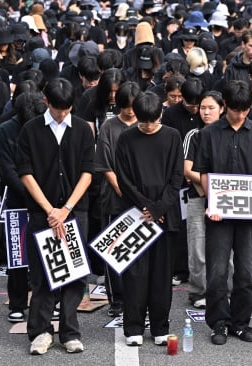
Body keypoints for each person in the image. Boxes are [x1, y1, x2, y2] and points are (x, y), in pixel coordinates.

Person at [16, 78, 95, 355]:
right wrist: (50, 210)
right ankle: (40, 331)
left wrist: (66, 209)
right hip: (42, 213)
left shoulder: (83, 129)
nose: (62, 113)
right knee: (41, 275)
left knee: (75, 274)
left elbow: (88, 172)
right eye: (57, 108)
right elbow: (25, 173)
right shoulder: (31, 130)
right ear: (46, 102)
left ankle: (69, 331)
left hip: (75, 211)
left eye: (67, 108)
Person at [192, 80, 252, 345]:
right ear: (225, 105)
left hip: (250, 215)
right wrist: (212, 203)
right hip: (220, 214)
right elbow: (203, 172)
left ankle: (241, 322)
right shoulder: (209, 134)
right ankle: (219, 323)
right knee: (216, 272)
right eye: (235, 109)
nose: (240, 115)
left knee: (247, 272)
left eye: (245, 109)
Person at [115, 91, 184, 346]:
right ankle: (133, 327)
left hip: (164, 215)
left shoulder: (172, 136)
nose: (147, 126)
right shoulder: (126, 138)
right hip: (135, 214)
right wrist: (147, 208)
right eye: (142, 122)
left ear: (161, 114)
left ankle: (159, 327)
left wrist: (159, 209)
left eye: (151, 121)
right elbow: (124, 179)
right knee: (135, 274)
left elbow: (177, 177)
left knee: (161, 274)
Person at [0, 89, 47, 323]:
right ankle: (17, 303)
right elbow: (7, 171)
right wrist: (30, 195)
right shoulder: (6, 130)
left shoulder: (44, 125)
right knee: (17, 256)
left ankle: (49, 300)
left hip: (46, 202)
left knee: (48, 253)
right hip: (18, 200)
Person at [96, 81, 142, 318]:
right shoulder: (109, 126)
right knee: (114, 249)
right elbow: (104, 164)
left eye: (134, 107)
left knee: (138, 250)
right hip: (114, 197)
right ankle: (117, 298)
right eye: (125, 107)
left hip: (141, 199)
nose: (130, 111)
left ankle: (136, 297)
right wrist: (122, 189)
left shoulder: (145, 125)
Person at [183, 91, 226, 309]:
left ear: (222, 108)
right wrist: (208, 189)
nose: (206, 112)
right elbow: (187, 169)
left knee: (226, 249)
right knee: (198, 248)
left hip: (226, 200)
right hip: (198, 198)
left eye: (211, 108)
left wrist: (217, 192)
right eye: (202, 108)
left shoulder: (228, 134)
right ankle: (198, 291)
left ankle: (224, 290)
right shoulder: (194, 134)